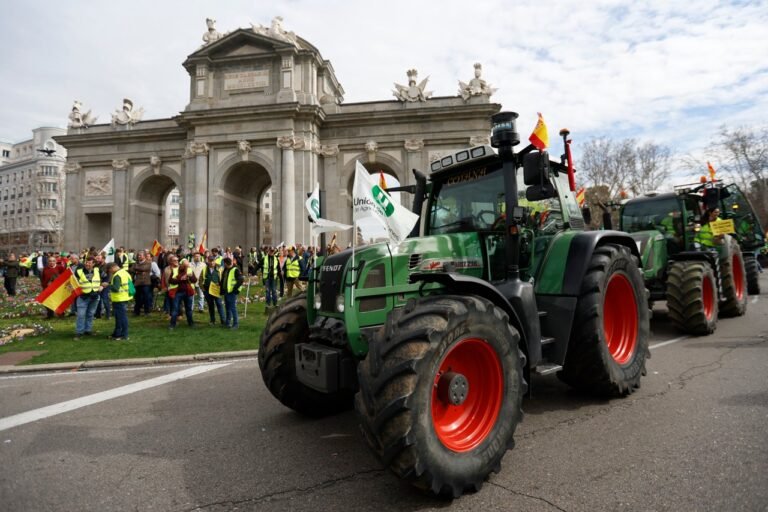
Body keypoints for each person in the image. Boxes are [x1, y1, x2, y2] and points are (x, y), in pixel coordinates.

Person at [74, 257, 101, 340]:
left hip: (95, 297)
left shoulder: (98, 270)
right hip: (83, 297)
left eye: (89, 263)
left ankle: (88, 330)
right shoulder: (78, 271)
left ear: (93, 264)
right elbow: (73, 281)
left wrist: (103, 285)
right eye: (86, 262)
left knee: (90, 314)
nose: (87, 264)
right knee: (81, 315)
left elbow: (106, 278)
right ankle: (79, 332)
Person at [105, 262, 132, 340]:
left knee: (121, 318)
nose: (110, 272)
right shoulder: (125, 273)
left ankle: (124, 335)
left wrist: (108, 285)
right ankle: (117, 334)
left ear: (112, 267)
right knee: (120, 317)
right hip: (125, 297)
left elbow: (116, 288)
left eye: (109, 270)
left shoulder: (117, 275)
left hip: (119, 299)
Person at [168, 259, 197, 330]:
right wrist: (181, 279)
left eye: (187, 265)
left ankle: (191, 323)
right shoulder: (175, 270)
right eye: (185, 265)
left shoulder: (190, 270)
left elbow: (194, 280)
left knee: (189, 309)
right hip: (177, 292)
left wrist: (190, 277)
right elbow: (170, 281)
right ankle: (172, 324)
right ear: (181, 264)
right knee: (175, 309)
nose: (187, 266)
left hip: (188, 292)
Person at [201, 255, 226, 325]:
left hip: (216, 290)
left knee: (219, 305)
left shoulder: (220, 268)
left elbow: (223, 278)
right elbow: (200, 280)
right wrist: (203, 290)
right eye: (210, 261)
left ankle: (223, 321)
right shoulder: (204, 269)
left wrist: (221, 285)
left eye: (213, 261)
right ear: (208, 261)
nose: (212, 263)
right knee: (210, 306)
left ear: (215, 261)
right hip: (207, 291)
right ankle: (212, 320)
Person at [221, 257, 243, 328]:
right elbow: (224, 279)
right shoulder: (226, 269)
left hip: (232, 292)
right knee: (227, 308)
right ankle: (228, 323)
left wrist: (235, 289)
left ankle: (236, 324)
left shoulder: (235, 270)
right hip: (226, 292)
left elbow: (241, 280)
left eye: (224, 264)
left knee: (233, 308)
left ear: (225, 263)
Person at [131, 250, 152, 316]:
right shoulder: (136, 263)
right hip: (137, 283)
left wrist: (137, 270)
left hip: (145, 283)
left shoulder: (148, 263)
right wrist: (138, 271)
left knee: (146, 297)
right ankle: (137, 311)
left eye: (140, 255)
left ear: (144, 256)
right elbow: (131, 269)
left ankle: (147, 311)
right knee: (137, 298)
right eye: (138, 255)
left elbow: (144, 268)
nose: (139, 256)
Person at [94, 253, 111, 320]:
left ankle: (108, 315)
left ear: (103, 259)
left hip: (105, 285)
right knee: (98, 299)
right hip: (97, 285)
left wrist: (104, 284)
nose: (97, 259)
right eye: (97, 258)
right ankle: (98, 315)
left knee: (105, 299)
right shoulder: (95, 266)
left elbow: (109, 276)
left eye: (99, 258)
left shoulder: (107, 266)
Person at [262, 247, 279, 312]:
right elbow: (259, 265)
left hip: (274, 277)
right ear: (268, 251)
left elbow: (278, 268)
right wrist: (252, 272)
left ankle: (275, 303)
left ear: (274, 252)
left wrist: (280, 275)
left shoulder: (276, 259)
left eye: (272, 251)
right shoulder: (265, 258)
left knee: (274, 291)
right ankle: (268, 304)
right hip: (267, 277)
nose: (271, 252)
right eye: (270, 251)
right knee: (267, 291)